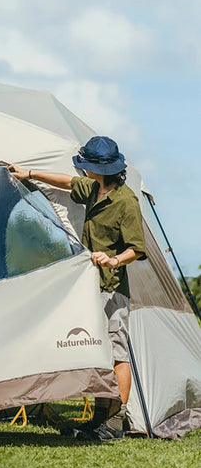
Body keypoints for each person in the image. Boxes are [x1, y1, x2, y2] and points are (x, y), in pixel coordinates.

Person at [8, 135, 147, 441]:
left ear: (100, 168)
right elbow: (67, 182)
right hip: (90, 288)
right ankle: (98, 421)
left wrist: (113, 260)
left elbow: (136, 248)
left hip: (112, 288)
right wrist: (28, 174)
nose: (82, 171)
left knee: (117, 354)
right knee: (99, 353)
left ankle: (114, 424)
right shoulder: (94, 189)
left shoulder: (126, 202)